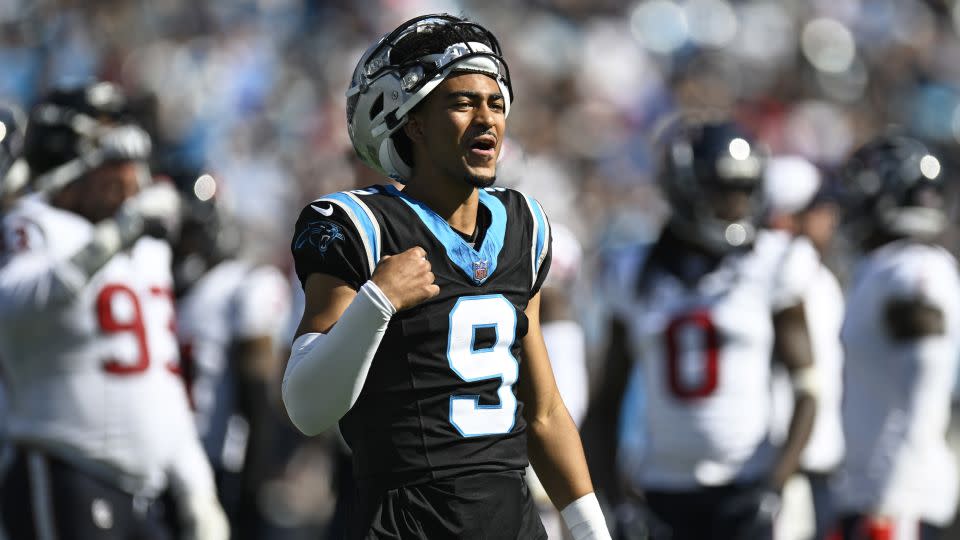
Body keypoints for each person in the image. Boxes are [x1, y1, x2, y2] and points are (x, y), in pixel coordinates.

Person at [283, 13, 610, 540]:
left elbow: (544, 411)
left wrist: (592, 529)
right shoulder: (359, 226)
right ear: (411, 121)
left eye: (496, 103)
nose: (488, 119)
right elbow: (305, 406)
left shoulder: (524, 226)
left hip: (514, 521)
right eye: (463, 103)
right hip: (406, 522)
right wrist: (378, 300)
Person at [0, 82, 228, 540]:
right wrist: (114, 236)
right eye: (113, 156)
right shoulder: (35, 222)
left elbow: (159, 382)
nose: (130, 176)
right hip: (64, 467)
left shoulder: (145, 248)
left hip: (143, 494)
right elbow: (13, 306)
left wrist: (196, 487)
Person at [583, 118, 819, 540]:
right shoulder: (633, 271)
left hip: (747, 485)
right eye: (725, 190)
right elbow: (604, 406)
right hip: (663, 492)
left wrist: (775, 486)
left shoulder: (774, 263)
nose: (738, 204)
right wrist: (617, 502)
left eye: (745, 190)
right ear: (685, 188)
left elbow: (809, 390)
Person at [831, 135, 960, 540]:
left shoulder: (911, 268)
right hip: (875, 490)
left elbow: (926, 358)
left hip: (897, 497)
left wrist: (892, 493)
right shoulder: (886, 267)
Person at [170, 169, 291, 538]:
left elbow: (258, 399)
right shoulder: (151, 285)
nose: (180, 245)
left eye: (188, 233)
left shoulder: (242, 287)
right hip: (164, 460)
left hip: (221, 463)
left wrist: (253, 486)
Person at [764, 156, 845, 540]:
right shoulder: (783, 269)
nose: (830, 217)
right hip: (787, 464)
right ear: (787, 216)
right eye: (819, 207)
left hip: (813, 462)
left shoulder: (814, 273)